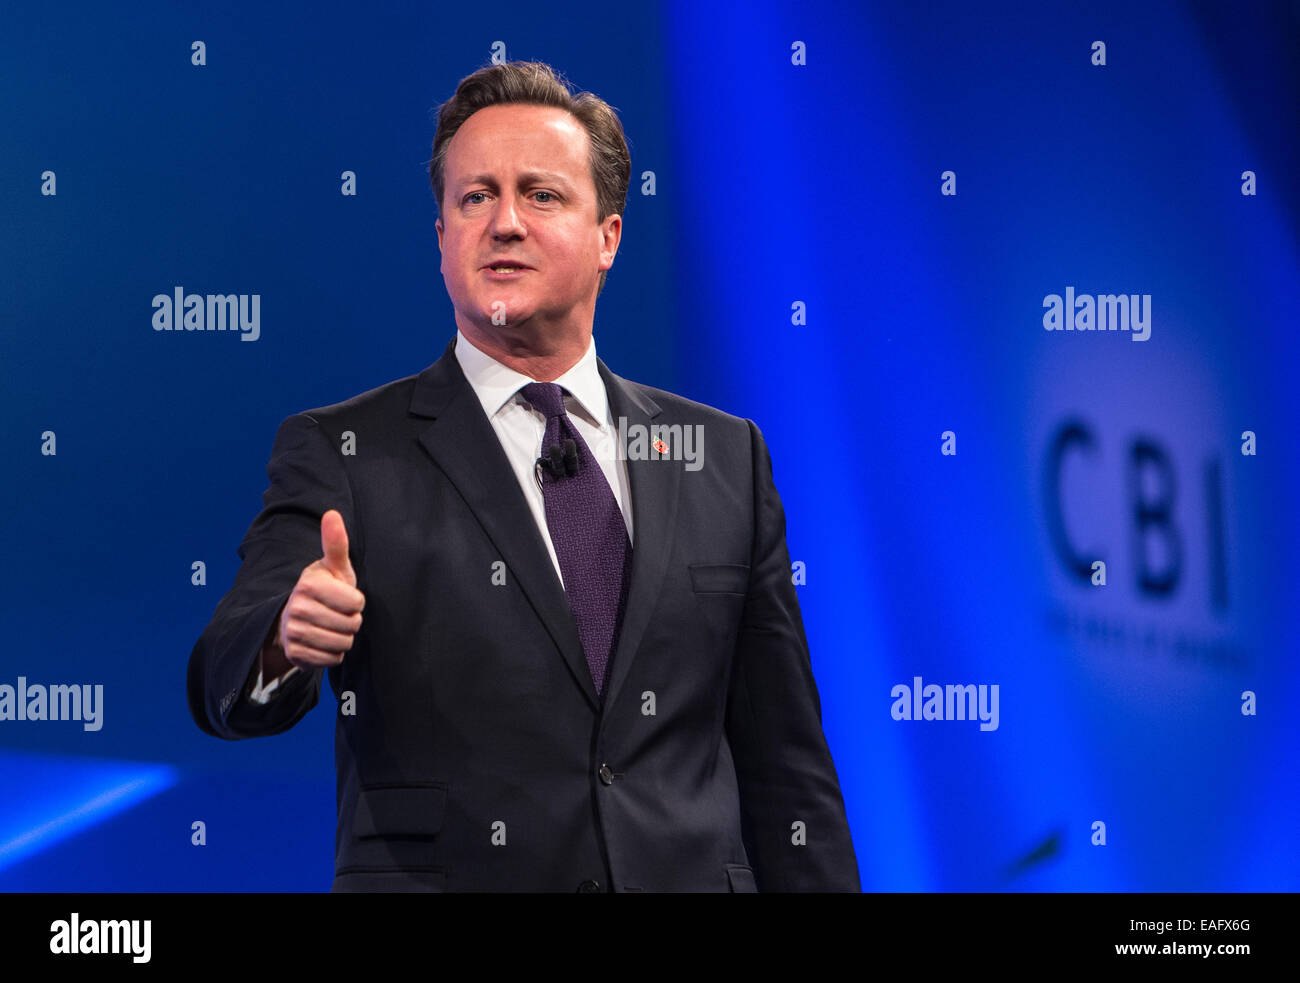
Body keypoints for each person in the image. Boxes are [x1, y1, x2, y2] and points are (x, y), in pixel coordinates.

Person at [187, 60, 859, 893]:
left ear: (609, 236)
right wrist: (283, 642)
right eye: (474, 198)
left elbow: (786, 764)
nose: (503, 222)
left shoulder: (722, 454)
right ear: (441, 241)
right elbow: (221, 677)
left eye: (540, 195)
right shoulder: (346, 449)